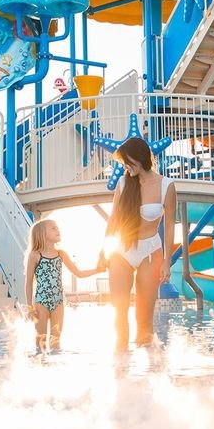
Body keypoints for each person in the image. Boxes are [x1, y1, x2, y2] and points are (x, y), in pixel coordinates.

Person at [101, 136, 177, 351]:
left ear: (140, 157)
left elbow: (169, 226)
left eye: (128, 161)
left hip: (150, 251)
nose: (125, 166)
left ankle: (149, 368)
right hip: (121, 251)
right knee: (119, 313)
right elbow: (113, 218)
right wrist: (102, 250)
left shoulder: (166, 185)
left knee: (144, 319)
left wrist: (167, 261)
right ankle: (121, 364)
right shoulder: (124, 183)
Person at [24, 219, 103, 353]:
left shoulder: (61, 254)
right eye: (53, 228)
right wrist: (29, 307)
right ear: (42, 233)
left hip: (58, 303)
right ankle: (40, 364)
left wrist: (97, 270)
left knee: (56, 344)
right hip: (41, 303)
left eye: (57, 227)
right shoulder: (35, 255)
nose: (58, 230)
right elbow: (28, 283)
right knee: (41, 345)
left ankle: (55, 364)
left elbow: (78, 273)